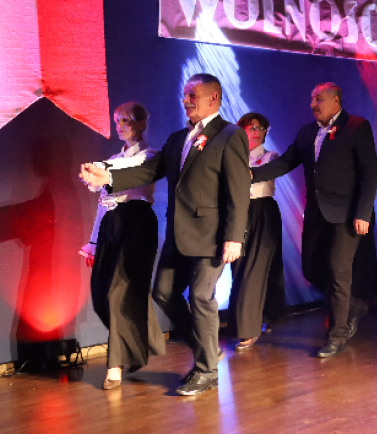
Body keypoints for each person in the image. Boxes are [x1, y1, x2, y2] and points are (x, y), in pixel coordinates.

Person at [80, 73, 250, 395]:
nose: (186, 100)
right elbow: (148, 171)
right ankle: (205, 347)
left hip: (213, 235)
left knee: (200, 296)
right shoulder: (177, 139)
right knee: (164, 293)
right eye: (185, 95)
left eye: (192, 95)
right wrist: (108, 177)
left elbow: (238, 188)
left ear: (213, 98)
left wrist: (234, 236)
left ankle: (206, 371)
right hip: (179, 233)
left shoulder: (230, 135)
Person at [251, 82, 377, 358]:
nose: (312, 104)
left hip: (346, 214)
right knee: (311, 270)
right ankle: (354, 305)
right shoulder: (307, 132)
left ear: (336, 100)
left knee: (338, 272)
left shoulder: (357, 126)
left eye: (318, 99)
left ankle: (337, 336)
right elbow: (285, 162)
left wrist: (363, 213)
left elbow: (370, 173)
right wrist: (252, 175)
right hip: (316, 213)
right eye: (312, 99)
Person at [79, 102, 166, 390]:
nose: (121, 125)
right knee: (101, 295)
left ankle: (115, 365)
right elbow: (103, 202)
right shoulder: (114, 158)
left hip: (137, 222)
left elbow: (128, 169)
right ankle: (139, 343)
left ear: (142, 124)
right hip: (111, 225)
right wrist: (93, 242)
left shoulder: (149, 156)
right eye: (117, 121)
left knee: (119, 292)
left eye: (126, 120)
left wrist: (100, 169)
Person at [228, 112, 285, 350]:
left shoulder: (270, 156)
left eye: (261, 128)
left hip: (262, 211)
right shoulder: (232, 156)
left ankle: (249, 328)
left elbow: (259, 177)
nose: (257, 132)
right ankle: (248, 320)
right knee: (239, 267)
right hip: (237, 212)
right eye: (252, 128)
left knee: (255, 268)